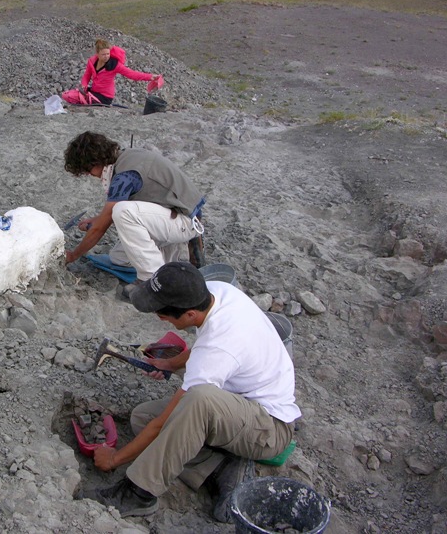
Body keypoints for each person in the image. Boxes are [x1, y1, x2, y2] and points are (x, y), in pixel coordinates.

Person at [82, 262, 300, 522]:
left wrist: (115, 459)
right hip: (237, 409)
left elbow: (166, 420)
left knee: (196, 401)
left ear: (189, 315)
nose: (159, 317)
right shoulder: (214, 293)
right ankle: (219, 467)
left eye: (163, 314)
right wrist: (169, 364)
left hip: (269, 429)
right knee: (142, 417)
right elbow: (206, 343)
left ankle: (139, 493)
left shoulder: (218, 349)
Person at [63, 132, 206, 294]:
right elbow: (106, 218)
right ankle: (172, 254)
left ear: (95, 161)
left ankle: (151, 280)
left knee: (123, 212)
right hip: (171, 213)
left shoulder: (124, 177)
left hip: (186, 220)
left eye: (87, 170)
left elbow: (101, 227)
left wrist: (74, 255)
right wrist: (97, 219)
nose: (90, 175)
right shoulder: (127, 156)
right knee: (119, 258)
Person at [80, 39, 160, 106]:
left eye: (108, 54)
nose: (106, 56)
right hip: (94, 91)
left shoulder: (115, 64)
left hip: (105, 96)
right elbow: (87, 75)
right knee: (71, 95)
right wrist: (84, 85)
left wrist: (150, 77)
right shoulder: (91, 61)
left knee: (75, 97)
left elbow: (132, 74)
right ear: (97, 54)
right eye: (103, 54)